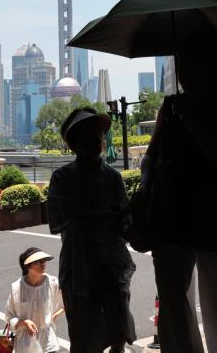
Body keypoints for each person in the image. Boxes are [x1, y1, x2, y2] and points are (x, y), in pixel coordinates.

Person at [146, 32, 217, 353]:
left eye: (188, 66)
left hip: (214, 211)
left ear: (208, 68)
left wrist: (189, 118)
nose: (182, 74)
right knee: (175, 304)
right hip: (175, 211)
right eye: (180, 67)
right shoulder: (171, 107)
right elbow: (151, 156)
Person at [48, 108, 136, 353]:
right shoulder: (63, 178)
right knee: (83, 334)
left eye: (98, 133)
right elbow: (59, 219)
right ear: (74, 144)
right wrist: (108, 214)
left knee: (119, 327)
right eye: (88, 134)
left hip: (112, 265)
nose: (97, 138)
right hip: (79, 266)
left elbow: (125, 224)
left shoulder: (113, 177)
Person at [4, 248, 65, 353]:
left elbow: (67, 301)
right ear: (28, 266)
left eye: (44, 260)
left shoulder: (53, 283)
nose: (43, 264)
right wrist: (24, 322)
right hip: (26, 345)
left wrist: (55, 315)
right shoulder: (17, 288)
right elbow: (9, 317)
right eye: (38, 262)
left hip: (48, 343)